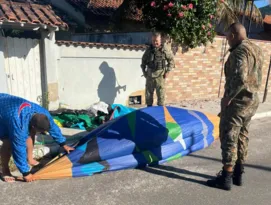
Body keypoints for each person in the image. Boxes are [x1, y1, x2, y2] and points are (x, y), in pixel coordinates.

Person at [207, 23, 263, 191]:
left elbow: (240, 76)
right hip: (252, 100)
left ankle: (226, 176)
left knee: (230, 135)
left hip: (238, 101)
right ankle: (238, 173)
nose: (227, 40)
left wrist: (228, 98)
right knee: (242, 135)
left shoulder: (239, 51)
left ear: (232, 35)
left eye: (227, 36)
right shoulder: (255, 49)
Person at [0, 93, 75, 183]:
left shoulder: (43, 113)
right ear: (33, 126)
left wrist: (63, 144)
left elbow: (53, 127)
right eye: (41, 131)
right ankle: (5, 170)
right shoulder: (19, 125)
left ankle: (30, 159)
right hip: (4, 113)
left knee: (30, 134)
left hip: (7, 103)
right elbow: (18, 149)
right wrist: (25, 173)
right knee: (7, 141)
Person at [141, 32, 175, 107]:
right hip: (150, 76)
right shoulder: (149, 50)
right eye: (153, 41)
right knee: (148, 97)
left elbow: (171, 61)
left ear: (160, 40)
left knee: (161, 98)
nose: (155, 42)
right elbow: (143, 61)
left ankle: (161, 113)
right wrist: (144, 72)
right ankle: (149, 112)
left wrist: (168, 71)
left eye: (156, 41)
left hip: (160, 76)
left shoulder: (164, 49)